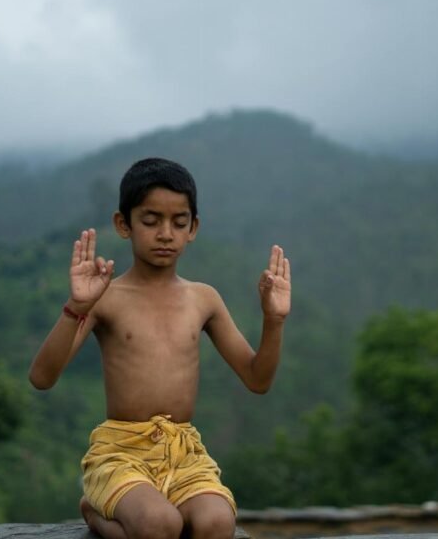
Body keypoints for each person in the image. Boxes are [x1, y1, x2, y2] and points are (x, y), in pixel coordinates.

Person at [29, 157, 291, 539]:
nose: (165, 233)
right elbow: (41, 377)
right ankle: (96, 511)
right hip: (121, 452)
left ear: (193, 228)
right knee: (159, 525)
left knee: (218, 524)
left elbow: (258, 379)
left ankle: (125, 513)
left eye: (178, 222)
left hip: (184, 454)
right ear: (124, 224)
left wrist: (274, 320)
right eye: (151, 221)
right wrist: (76, 309)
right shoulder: (107, 298)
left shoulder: (204, 299)